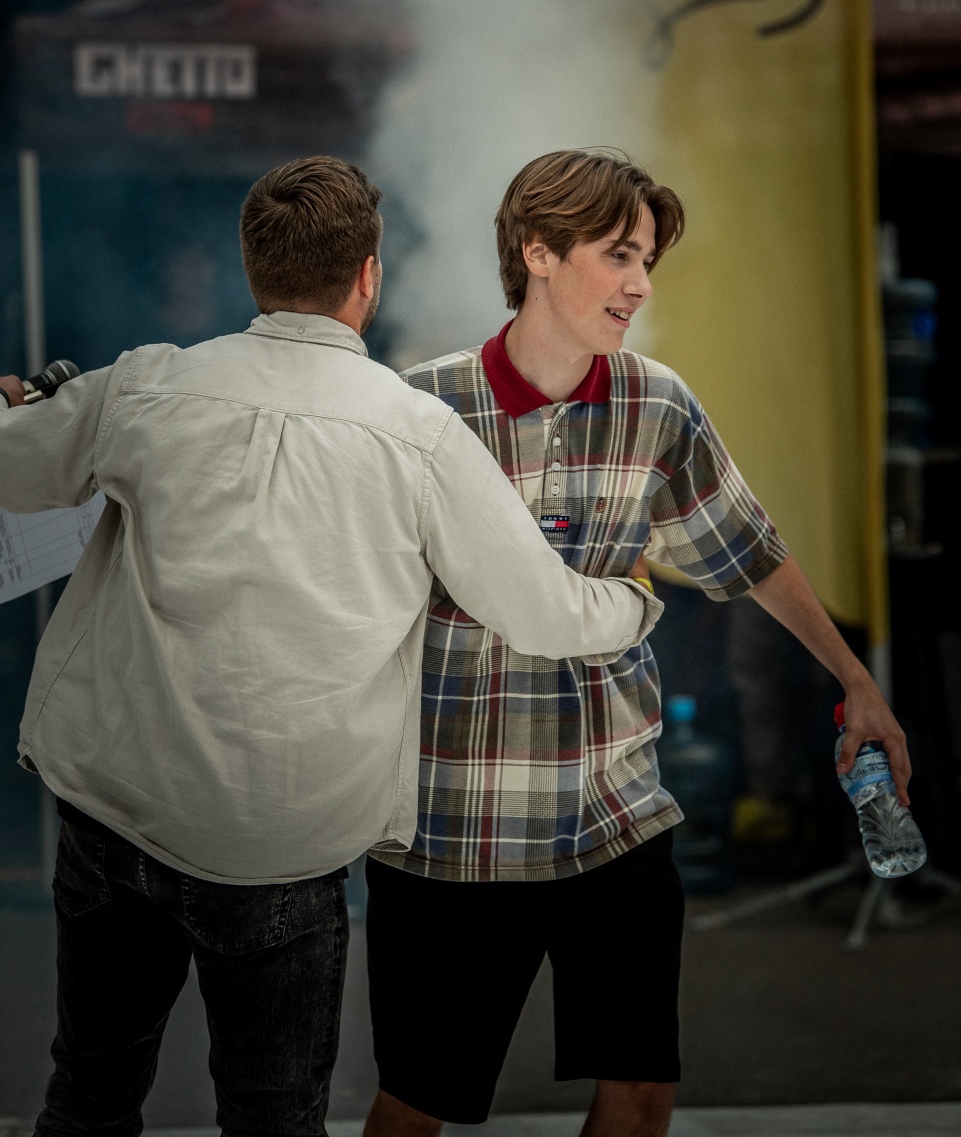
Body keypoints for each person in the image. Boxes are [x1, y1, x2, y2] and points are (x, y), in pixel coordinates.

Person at [0, 156, 662, 1137]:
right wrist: (631, 602)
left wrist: (16, 408)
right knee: (273, 1120)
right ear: (368, 277)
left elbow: (13, 472)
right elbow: (543, 616)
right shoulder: (421, 436)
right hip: (282, 841)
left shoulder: (145, 385)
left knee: (89, 1098)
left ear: (253, 268)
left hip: (114, 812)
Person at [362, 149, 911, 1137]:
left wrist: (856, 683)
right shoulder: (422, 408)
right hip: (451, 828)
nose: (640, 283)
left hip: (614, 814)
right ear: (538, 251)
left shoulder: (656, 403)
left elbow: (750, 552)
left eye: (646, 259)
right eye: (618, 254)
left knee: (643, 1093)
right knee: (414, 1109)